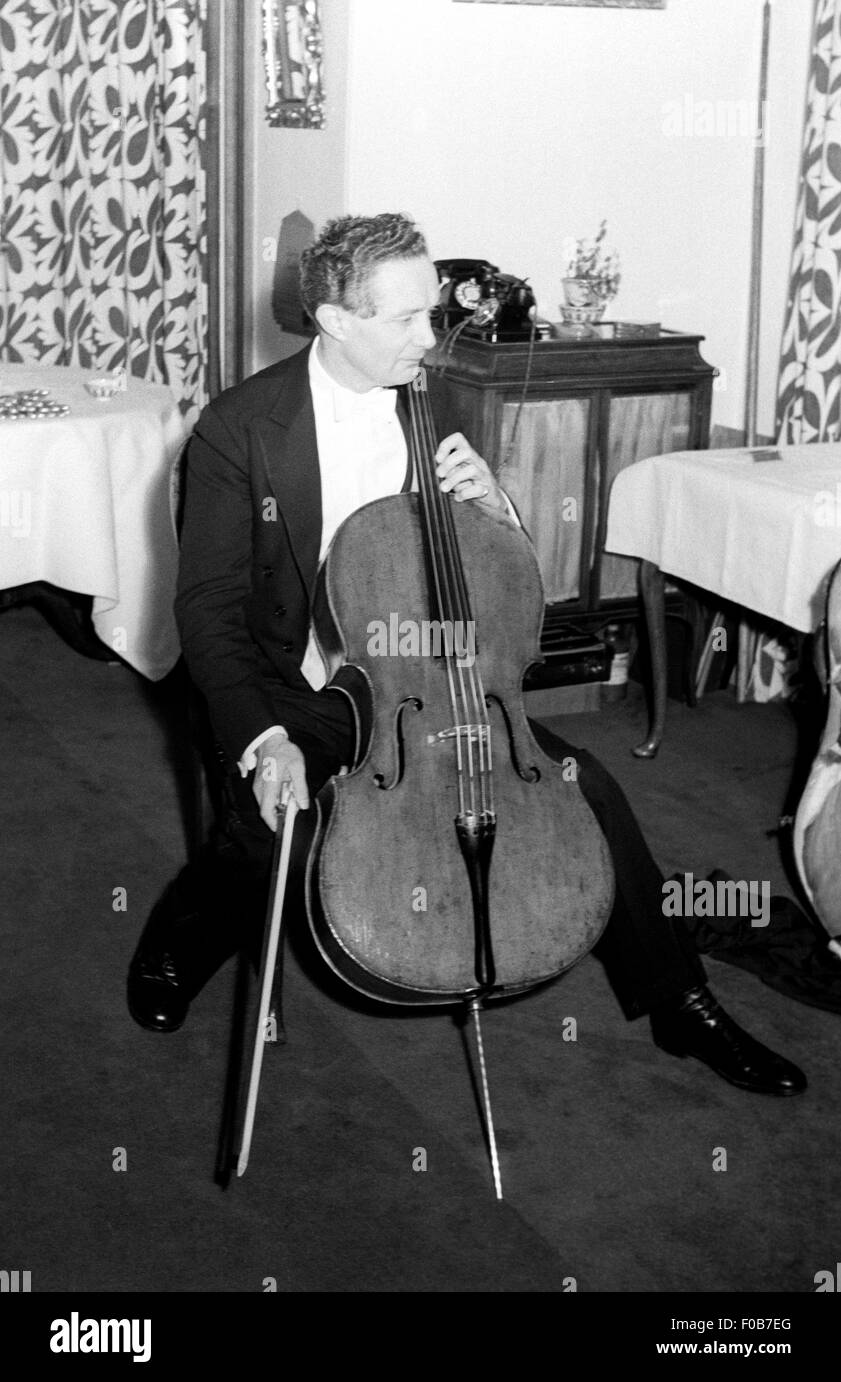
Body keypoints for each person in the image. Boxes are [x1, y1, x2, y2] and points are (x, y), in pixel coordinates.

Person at [127, 212, 806, 1098]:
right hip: (293, 681)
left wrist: (494, 507)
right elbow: (208, 610)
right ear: (336, 323)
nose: (430, 338)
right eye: (406, 320)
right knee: (265, 834)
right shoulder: (239, 429)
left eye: (431, 313)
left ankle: (678, 998)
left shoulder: (428, 397)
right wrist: (265, 739)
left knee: (587, 790)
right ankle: (178, 944)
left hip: (426, 680)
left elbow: (495, 582)